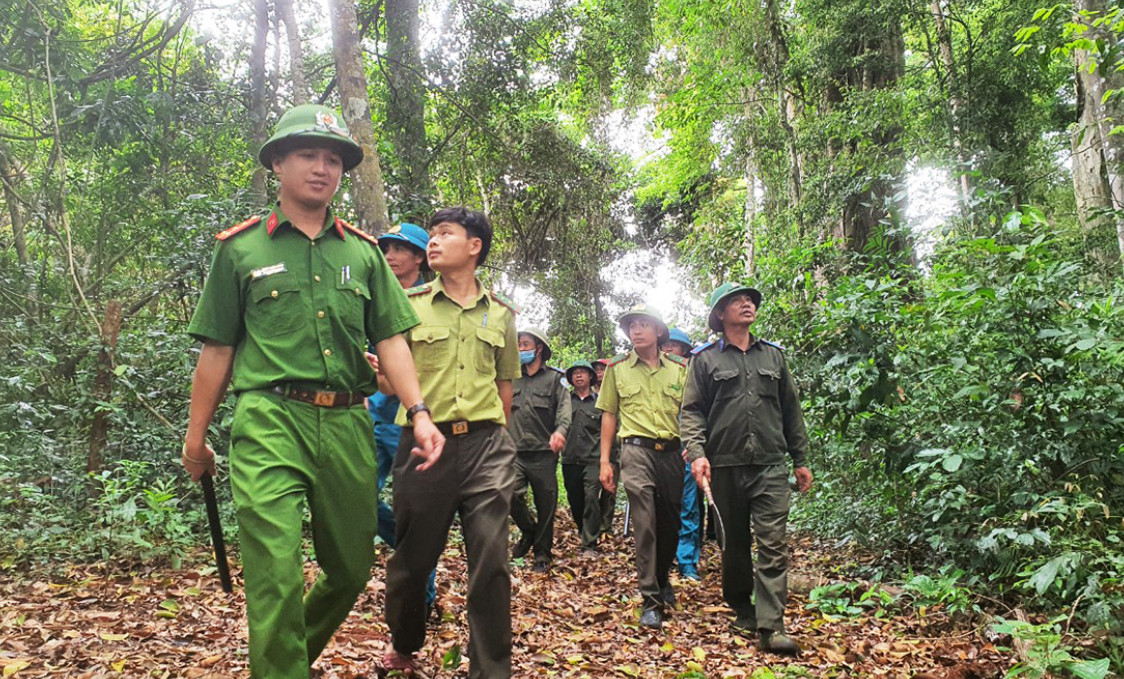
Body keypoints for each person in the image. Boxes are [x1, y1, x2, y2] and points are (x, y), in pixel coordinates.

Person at [181, 103, 444, 679]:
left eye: (333, 159)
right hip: (269, 418)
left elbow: (393, 341)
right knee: (274, 574)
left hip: (349, 420)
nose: (322, 168)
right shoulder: (240, 249)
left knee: (349, 571)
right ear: (277, 162)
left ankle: (284, 659)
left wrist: (419, 412)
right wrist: (195, 439)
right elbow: (218, 350)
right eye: (307, 155)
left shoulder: (364, 253)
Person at [381, 207, 520, 678]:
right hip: (423, 445)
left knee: (491, 560)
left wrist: (500, 437)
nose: (433, 242)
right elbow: (387, 382)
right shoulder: (409, 304)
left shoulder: (502, 314)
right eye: (433, 234)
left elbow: (505, 386)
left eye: (445, 234)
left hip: (486, 445)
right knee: (412, 560)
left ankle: (491, 670)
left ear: (474, 246)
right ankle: (405, 640)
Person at [680, 282, 814, 656]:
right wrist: (697, 453)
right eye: (736, 301)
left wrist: (800, 459)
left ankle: (771, 626)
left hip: (770, 465)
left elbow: (791, 410)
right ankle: (742, 606)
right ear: (720, 314)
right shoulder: (704, 359)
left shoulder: (773, 357)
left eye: (750, 300)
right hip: (724, 465)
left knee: (773, 544)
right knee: (733, 542)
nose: (746, 304)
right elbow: (691, 412)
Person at [597, 305, 687, 629]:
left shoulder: (679, 368)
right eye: (632, 325)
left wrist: (696, 447)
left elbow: (691, 412)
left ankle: (662, 578)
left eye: (644, 324)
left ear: (658, 331)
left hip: (673, 453)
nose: (636, 330)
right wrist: (605, 461)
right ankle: (650, 600)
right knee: (645, 524)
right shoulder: (617, 368)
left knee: (670, 524)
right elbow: (609, 413)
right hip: (635, 452)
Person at [367, 221, 438, 611]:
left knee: (414, 513)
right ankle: (416, 554)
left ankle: (422, 597)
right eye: (386, 248)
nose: (390, 256)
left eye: (400, 249)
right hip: (370, 414)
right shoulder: (370, 297)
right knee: (359, 498)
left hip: (410, 421)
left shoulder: (429, 304)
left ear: (419, 258)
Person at [508, 327, 571, 572]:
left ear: (539, 348)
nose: (521, 349)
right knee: (509, 494)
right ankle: (529, 531)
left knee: (547, 503)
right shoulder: (511, 377)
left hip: (544, 453)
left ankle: (542, 554)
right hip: (514, 451)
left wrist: (560, 432)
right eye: (518, 345)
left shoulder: (556, 379)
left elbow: (565, 411)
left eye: (525, 344)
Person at [662, 327, 703, 582]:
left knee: (689, 507)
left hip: (688, 450)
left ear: (685, 351)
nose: (667, 351)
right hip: (660, 451)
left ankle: (687, 562)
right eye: (664, 346)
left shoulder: (695, 375)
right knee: (664, 507)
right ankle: (663, 558)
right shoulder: (652, 373)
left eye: (673, 347)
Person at [560, 360, 602, 553]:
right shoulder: (565, 401)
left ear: (590, 376)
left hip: (593, 458)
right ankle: (583, 529)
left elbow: (608, 429)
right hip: (570, 459)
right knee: (575, 499)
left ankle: (589, 544)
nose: (578, 375)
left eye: (582, 372)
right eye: (575, 373)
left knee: (592, 497)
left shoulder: (600, 402)